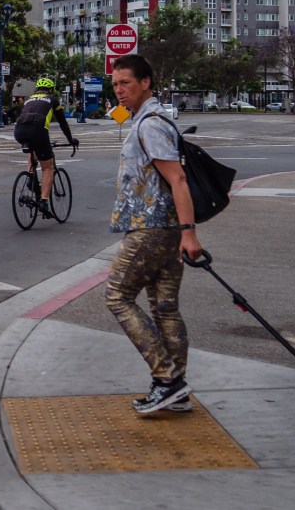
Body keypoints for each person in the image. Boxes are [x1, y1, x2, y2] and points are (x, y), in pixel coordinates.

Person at [107, 54, 203, 415]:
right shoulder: (150, 119)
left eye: (126, 83)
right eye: (115, 85)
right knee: (165, 308)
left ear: (145, 82)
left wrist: (189, 233)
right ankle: (176, 391)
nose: (119, 91)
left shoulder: (150, 125)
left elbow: (177, 178)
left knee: (117, 296)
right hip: (165, 228)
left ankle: (167, 378)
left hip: (151, 227)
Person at [12, 77, 77, 217]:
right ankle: (44, 201)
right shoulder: (52, 100)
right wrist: (70, 140)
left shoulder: (28, 100)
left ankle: (30, 177)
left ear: (37, 89)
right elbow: (63, 123)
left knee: (33, 151)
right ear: (51, 90)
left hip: (19, 131)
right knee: (47, 167)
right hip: (37, 130)